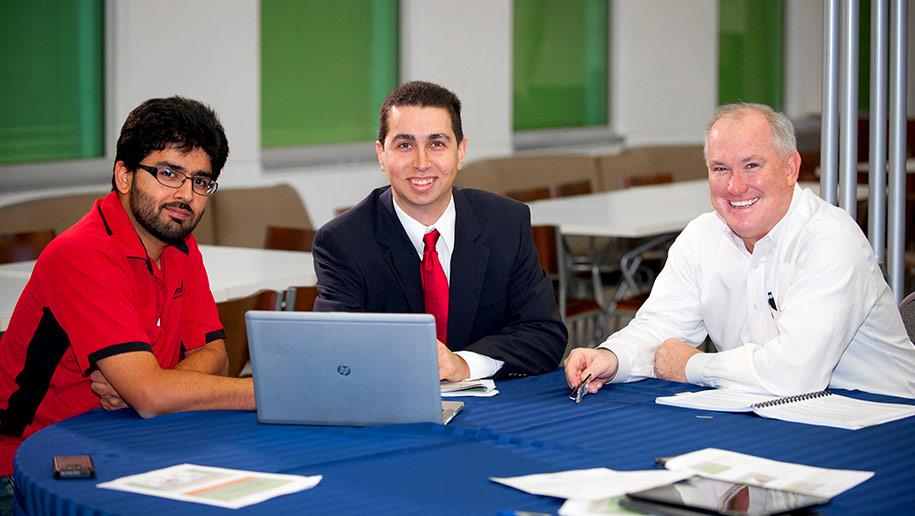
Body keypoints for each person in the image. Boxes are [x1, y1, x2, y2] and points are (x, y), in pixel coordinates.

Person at [0, 97, 255, 513]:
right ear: (123, 174)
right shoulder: (82, 253)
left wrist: (156, 384)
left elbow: (215, 356)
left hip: (131, 440)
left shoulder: (181, 248)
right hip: (28, 465)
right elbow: (152, 396)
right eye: (168, 173)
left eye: (200, 181)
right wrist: (263, 393)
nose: (185, 195)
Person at [566, 103, 915, 399]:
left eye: (752, 165)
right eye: (721, 169)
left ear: (790, 168)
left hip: (884, 423)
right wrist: (612, 357)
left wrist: (691, 366)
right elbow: (661, 326)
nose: (735, 186)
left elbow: (795, 374)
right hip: (773, 416)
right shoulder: (702, 236)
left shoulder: (830, 239)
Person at [312, 80, 567, 382]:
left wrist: (464, 364)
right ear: (382, 154)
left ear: (461, 151)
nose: (422, 163)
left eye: (437, 144)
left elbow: (545, 334)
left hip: (498, 407)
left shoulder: (505, 224)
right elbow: (337, 353)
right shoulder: (343, 242)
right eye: (405, 145)